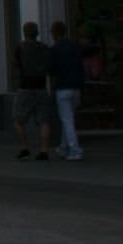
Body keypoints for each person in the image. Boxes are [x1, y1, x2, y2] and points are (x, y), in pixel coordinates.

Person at [11, 20, 54, 161]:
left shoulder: (20, 48)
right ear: (37, 33)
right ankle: (44, 150)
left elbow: (16, 65)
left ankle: (25, 147)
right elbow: (49, 65)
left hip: (25, 86)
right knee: (44, 120)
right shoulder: (44, 47)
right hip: (41, 86)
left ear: (24, 33)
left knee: (18, 119)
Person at [48, 20, 87, 161]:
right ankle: (63, 147)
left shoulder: (54, 49)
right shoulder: (74, 47)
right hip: (76, 87)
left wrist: (52, 87)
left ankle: (75, 150)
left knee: (67, 120)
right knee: (68, 119)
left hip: (62, 88)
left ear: (55, 33)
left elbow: (52, 70)